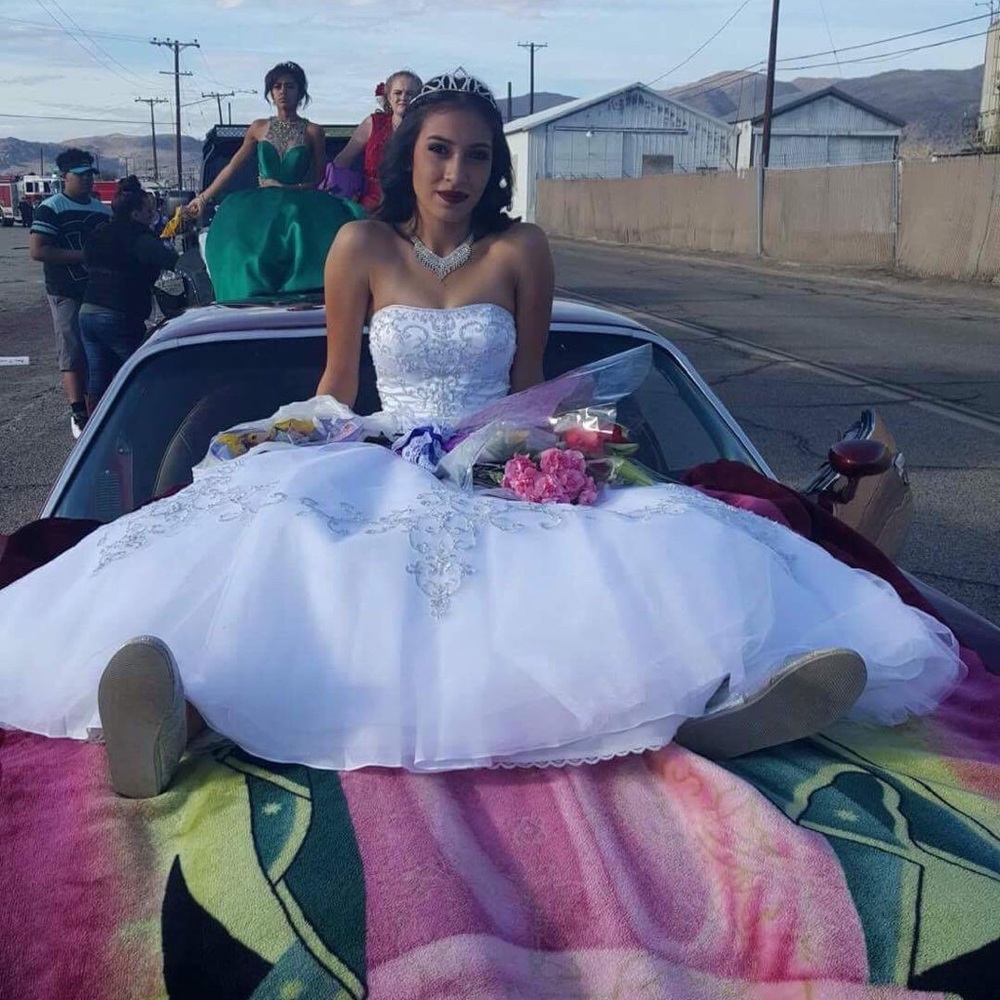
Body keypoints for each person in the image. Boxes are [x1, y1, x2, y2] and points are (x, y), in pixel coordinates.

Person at [0, 71, 964, 799]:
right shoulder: (360, 246)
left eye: (476, 156)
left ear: (494, 168)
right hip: (385, 447)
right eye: (439, 151)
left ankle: (715, 705)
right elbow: (338, 383)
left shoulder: (520, 248)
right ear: (406, 155)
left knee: (647, 540)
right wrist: (287, 437)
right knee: (281, 539)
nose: (459, 172)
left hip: (497, 451)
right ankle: (180, 715)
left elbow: (528, 384)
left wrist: (575, 445)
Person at [185, 61, 363, 302]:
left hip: (299, 201)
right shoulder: (258, 128)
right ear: (270, 92)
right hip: (260, 203)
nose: (282, 91)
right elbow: (232, 166)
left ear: (300, 93)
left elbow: (319, 175)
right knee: (233, 235)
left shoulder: (313, 131)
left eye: (290, 86)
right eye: (277, 86)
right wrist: (203, 198)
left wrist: (297, 188)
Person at [29, 148, 111, 438]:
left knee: (100, 350)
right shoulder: (51, 208)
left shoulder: (102, 210)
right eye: (81, 175)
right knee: (73, 349)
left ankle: (101, 403)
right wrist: (84, 257)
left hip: (100, 292)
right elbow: (38, 250)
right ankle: (78, 410)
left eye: (90, 174)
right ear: (64, 177)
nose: (88, 180)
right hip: (66, 291)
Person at [77, 177, 179, 404]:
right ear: (135, 214)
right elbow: (173, 261)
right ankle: (145, 423)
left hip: (88, 311)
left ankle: (94, 429)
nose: (151, 214)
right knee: (140, 373)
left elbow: (86, 262)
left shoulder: (100, 232)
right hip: (119, 312)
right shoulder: (139, 238)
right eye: (148, 210)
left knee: (98, 379)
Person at [332, 70, 422, 211]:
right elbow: (343, 161)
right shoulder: (373, 123)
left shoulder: (425, 128)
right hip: (370, 204)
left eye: (410, 94)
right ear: (388, 97)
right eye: (398, 93)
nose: (403, 97)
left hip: (412, 204)